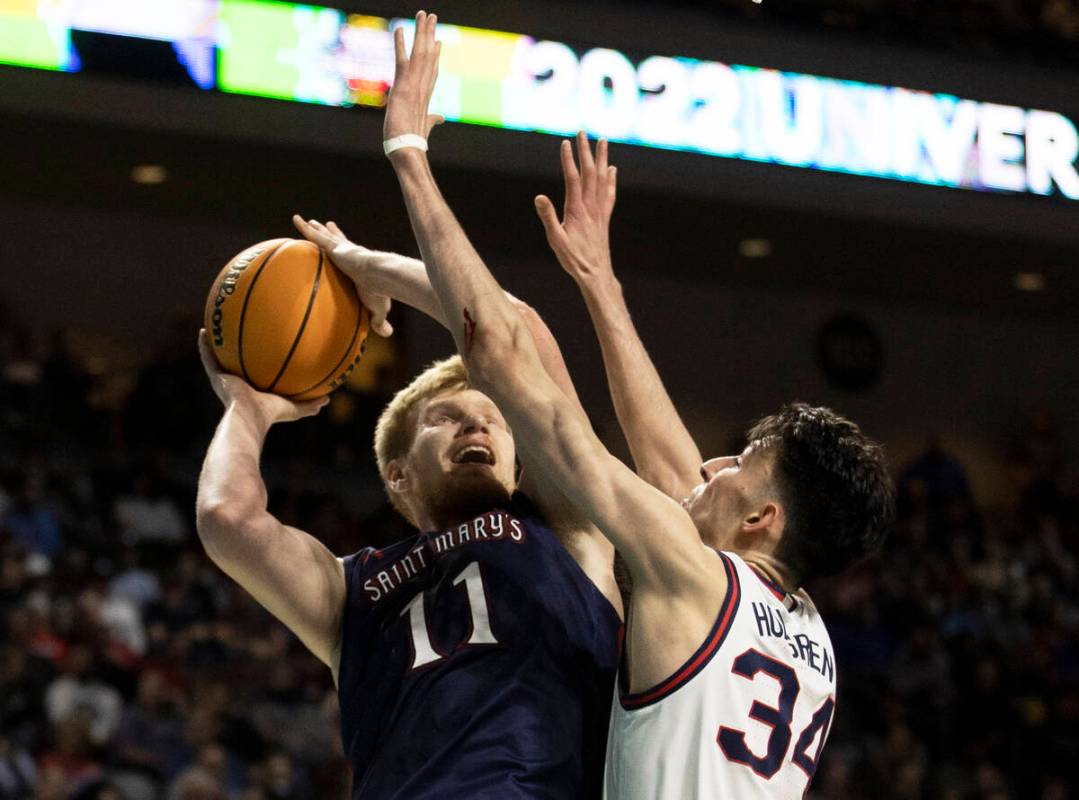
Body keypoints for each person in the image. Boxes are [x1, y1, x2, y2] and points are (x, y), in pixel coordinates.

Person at [375, 13, 895, 798]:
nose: (708, 464)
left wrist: (407, 154)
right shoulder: (805, 632)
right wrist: (598, 283)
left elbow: (500, 354)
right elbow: (670, 464)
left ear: (761, 520)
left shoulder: (689, 573)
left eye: (738, 466)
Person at [195, 207, 622, 795]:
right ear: (396, 475)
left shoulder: (568, 524)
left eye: (492, 421)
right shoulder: (354, 589)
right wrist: (248, 407)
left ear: (521, 461)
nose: (475, 426)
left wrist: (366, 268)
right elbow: (227, 517)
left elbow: (514, 331)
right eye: (445, 419)